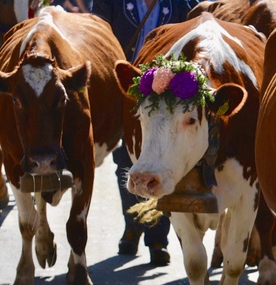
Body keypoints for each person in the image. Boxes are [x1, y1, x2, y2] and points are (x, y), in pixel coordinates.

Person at [92, 0, 202, 266]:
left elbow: (198, 28)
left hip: (168, 101)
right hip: (124, 92)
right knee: (125, 158)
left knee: (164, 161)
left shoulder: (182, 3)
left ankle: (157, 238)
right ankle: (132, 224)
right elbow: (98, 34)